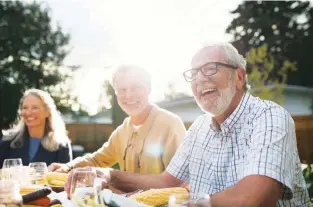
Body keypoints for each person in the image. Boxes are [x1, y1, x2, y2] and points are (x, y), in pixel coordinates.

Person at [65, 43, 310, 206]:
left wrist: (189, 203)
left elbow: (254, 198)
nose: (200, 79)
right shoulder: (200, 126)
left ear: (239, 76)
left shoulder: (269, 116)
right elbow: (166, 182)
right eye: (194, 73)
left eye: (210, 69)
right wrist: (109, 175)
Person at [49, 65, 186, 174]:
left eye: (136, 87)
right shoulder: (122, 131)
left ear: (149, 88)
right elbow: (97, 160)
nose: (129, 95)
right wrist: (68, 167)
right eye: (122, 90)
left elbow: (180, 181)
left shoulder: (170, 125)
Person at [0, 89, 72, 167]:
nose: (28, 112)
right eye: (25, 107)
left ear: (47, 112)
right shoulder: (7, 142)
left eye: (35, 107)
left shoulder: (61, 145)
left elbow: (66, 177)